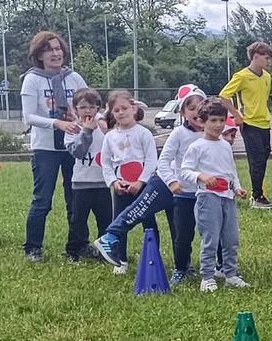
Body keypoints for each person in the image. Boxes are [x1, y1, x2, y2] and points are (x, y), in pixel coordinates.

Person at [93, 86, 206, 283]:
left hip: (188, 191)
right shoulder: (179, 133)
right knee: (139, 209)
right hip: (165, 183)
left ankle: (183, 267)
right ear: (182, 112)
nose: (197, 112)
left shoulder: (210, 134)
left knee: (181, 231)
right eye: (191, 108)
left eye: (200, 107)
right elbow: (162, 161)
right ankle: (109, 237)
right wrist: (170, 182)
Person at [19, 30, 88, 261]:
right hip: (45, 149)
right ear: (39, 55)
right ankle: (33, 247)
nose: (55, 53)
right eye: (49, 49)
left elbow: (88, 105)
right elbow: (29, 117)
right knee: (42, 200)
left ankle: (77, 247)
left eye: (58, 48)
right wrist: (57, 123)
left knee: (75, 198)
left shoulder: (74, 77)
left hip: (73, 146)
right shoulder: (32, 79)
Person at [189, 98, 251, 291]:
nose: (218, 125)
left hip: (228, 198)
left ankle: (230, 273)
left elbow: (230, 171)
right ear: (202, 121)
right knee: (211, 239)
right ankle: (207, 277)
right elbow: (185, 170)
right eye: (213, 120)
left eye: (221, 121)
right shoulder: (197, 147)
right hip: (208, 198)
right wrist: (201, 176)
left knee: (231, 239)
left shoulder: (225, 145)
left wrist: (236, 188)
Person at [99, 92, 158, 270]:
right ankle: (120, 259)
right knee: (119, 222)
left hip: (143, 187)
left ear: (133, 108)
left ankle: (153, 258)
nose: (121, 113)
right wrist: (113, 182)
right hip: (121, 187)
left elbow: (151, 160)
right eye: (116, 110)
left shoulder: (144, 133)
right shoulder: (109, 137)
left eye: (124, 108)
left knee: (149, 223)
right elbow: (106, 162)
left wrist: (140, 182)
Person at [218, 41, 272, 208]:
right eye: (266, 58)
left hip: (264, 121)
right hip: (249, 123)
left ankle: (259, 193)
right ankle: (256, 197)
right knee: (256, 159)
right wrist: (236, 114)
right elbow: (224, 95)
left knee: (264, 157)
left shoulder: (266, 77)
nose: (268, 62)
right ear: (255, 57)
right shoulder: (241, 76)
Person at [63, 88, 112, 264]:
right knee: (78, 220)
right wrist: (87, 132)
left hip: (103, 183)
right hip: (81, 183)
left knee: (105, 220)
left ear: (98, 108)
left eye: (92, 107)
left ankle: (105, 252)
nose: (88, 111)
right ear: (75, 109)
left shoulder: (104, 128)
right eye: (83, 107)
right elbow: (78, 152)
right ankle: (73, 251)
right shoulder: (72, 129)